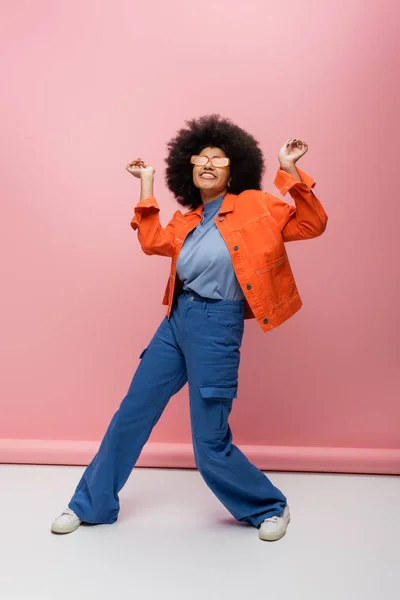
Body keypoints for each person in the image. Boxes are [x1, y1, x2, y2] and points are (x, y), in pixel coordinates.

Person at [51, 114, 328, 541]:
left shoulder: (256, 204)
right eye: (201, 158)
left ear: (234, 168)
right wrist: (145, 183)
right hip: (175, 321)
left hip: (217, 324)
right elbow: (151, 242)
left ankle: (269, 505)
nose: (209, 165)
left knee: (208, 442)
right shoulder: (187, 220)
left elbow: (311, 224)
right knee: (132, 414)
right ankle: (90, 505)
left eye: (219, 159)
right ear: (190, 168)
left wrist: (289, 170)